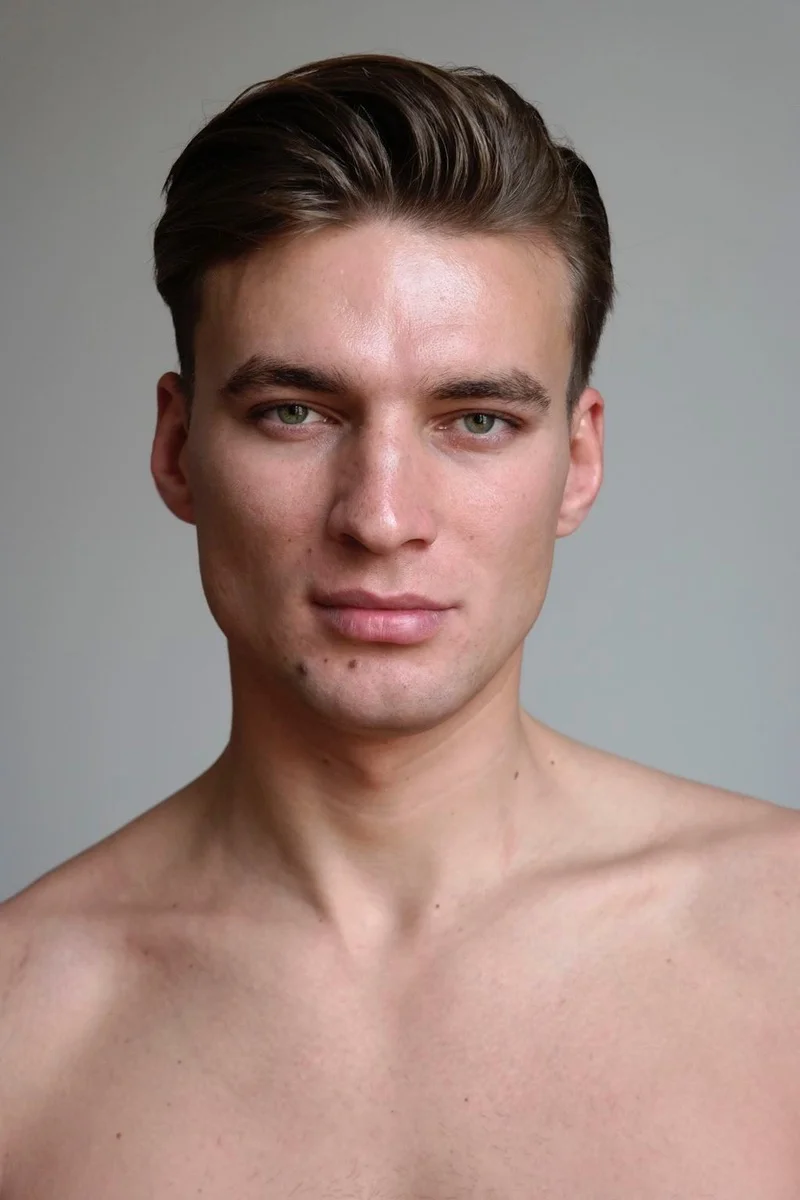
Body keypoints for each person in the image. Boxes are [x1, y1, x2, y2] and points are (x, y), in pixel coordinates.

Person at [1, 51, 798, 1199]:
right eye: (293, 411)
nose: (380, 518)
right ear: (177, 449)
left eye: (474, 420)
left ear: (576, 461)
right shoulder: (23, 1028)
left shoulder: (778, 944)